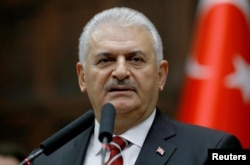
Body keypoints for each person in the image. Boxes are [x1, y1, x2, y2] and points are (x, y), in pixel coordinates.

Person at [31, 7, 242, 165]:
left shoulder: (215, 149)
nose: (121, 72)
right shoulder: (46, 160)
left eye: (135, 59)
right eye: (105, 60)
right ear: (82, 77)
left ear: (160, 75)